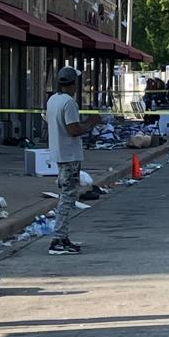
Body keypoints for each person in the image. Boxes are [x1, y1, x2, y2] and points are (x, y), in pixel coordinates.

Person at [45, 67, 100, 255]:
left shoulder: (53, 100)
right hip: (69, 155)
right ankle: (59, 239)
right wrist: (91, 122)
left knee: (65, 195)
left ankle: (61, 237)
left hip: (59, 153)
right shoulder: (69, 103)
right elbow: (73, 129)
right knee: (68, 197)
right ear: (73, 84)